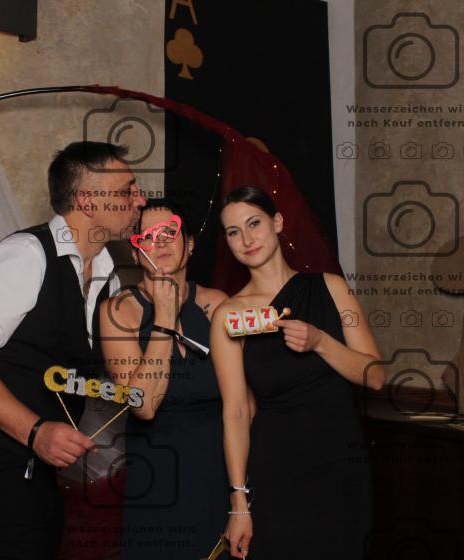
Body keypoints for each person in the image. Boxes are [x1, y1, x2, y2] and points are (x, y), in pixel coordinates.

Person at [0, 141, 147, 559]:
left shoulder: (109, 275)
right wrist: (35, 431)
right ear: (87, 200)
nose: (140, 200)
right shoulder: (25, 256)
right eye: (126, 190)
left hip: (36, 473)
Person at [210, 185, 385, 559]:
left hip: (341, 466)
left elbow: (375, 376)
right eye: (234, 232)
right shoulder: (230, 315)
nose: (247, 239)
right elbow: (236, 412)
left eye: (254, 223)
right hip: (277, 471)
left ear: (277, 222)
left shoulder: (332, 288)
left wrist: (321, 342)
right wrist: (238, 502)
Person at [98, 199, 232, 559]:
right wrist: (164, 318)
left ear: (190, 243)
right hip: (157, 486)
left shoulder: (218, 305)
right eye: (147, 237)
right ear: (136, 252)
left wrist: (242, 493)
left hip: (220, 477)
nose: (158, 243)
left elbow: (245, 405)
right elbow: (143, 405)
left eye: (168, 233)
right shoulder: (118, 312)